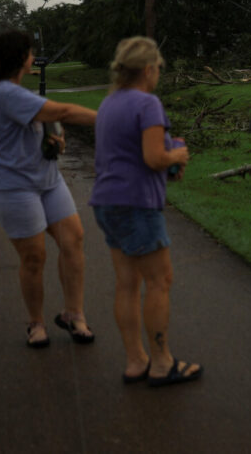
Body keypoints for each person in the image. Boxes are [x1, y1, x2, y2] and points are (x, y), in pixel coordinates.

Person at [89, 36, 202, 387]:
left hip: (106, 202)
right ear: (149, 69)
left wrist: (166, 153)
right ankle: (161, 362)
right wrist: (177, 156)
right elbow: (154, 157)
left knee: (126, 283)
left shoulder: (109, 103)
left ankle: (136, 360)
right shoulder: (147, 103)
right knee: (159, 280)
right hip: (137, 204)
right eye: (158, 69)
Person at [0, 30, 98, 348]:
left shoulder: (16, 92)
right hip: (14, 187)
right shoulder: (4, 92)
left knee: (73, 240)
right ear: (21, 57)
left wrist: (52, 141)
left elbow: (44, 123)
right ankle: (36, 324)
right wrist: (108, 119)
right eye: (30, 52)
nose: (33, 57)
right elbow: (61, 112)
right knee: (34, 257)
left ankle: (74, 315)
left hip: (47, 180)